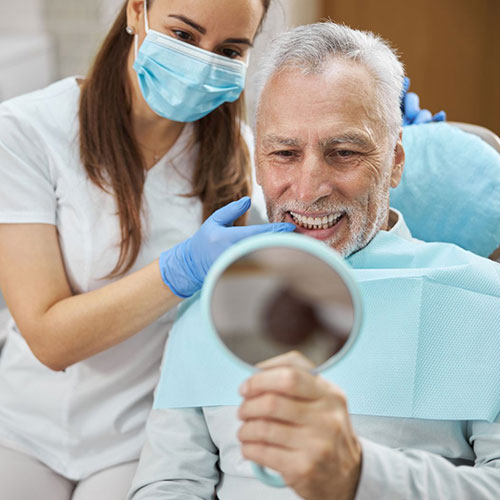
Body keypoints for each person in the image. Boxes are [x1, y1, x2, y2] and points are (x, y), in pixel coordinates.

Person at [127, 22, 500, 500]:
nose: (307, 191)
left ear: (396, 162)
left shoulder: (484, 301)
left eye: (343, 152)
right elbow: (169, 482)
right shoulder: (212, 299)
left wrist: (361, 475)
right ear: (257, 159)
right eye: (283, 153)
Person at [0, 0, 299, 498]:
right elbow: (50, 339)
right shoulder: (27, 131)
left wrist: (382, 137)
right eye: (183, 36)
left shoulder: (243, 161)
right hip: (21, 425)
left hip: (142, 436)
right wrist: (178, 271)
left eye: (228, 49)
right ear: (136, 11)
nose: (203, 61)